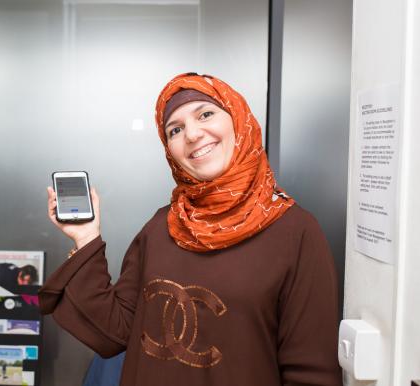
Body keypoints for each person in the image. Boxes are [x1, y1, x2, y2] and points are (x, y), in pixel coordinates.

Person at [40, 73, 342, 385]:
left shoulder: (294, 231)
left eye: (206, 114)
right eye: (175, 129)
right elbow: (115, 332)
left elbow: (311, 371)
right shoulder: (162, 227)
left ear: (239, 120)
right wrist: (86, 235)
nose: (193, 134)